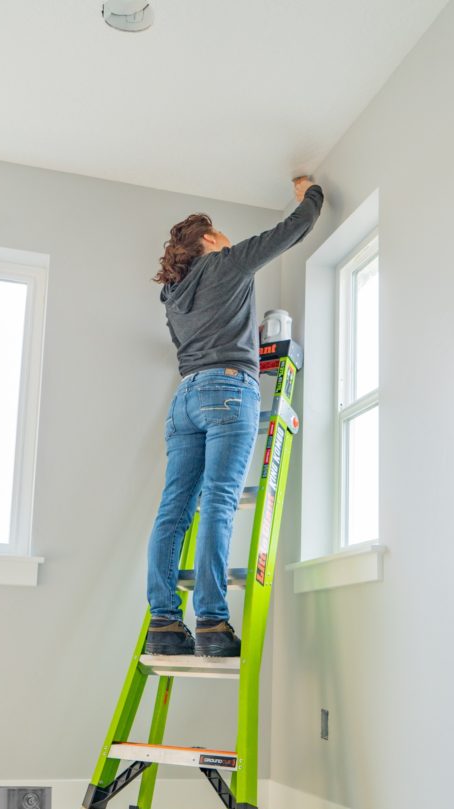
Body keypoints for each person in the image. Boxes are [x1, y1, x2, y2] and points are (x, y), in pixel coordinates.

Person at [145, 176, 324, 657]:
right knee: (219, 505)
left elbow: (199, 339)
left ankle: (163, 622)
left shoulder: (174, 295)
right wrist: (311, 192)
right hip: (227, 390)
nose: (226, 237)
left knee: (173, 514)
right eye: (219, 231)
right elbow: (295, 229)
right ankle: (211, 623)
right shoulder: (225, 263)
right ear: (207, 239)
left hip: (185, 400)